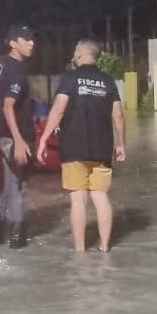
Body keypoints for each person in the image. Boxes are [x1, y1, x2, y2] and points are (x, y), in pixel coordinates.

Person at [37, 39, 127, 252]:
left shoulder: (69, 79)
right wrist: (121, 144)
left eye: (75, 51)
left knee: (78, 199)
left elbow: (58, 110)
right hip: (102, 148)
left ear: (80, 54)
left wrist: (43, 139)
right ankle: (104, 247)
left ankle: (80, 251)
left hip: (73, 148)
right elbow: (118, 115)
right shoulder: (107, 81)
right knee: (100, 196)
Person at [0, 25, 37, 249]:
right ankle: (17, 237)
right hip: (14, 136)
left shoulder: (0, 67)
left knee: (6, 184)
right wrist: (19, 140)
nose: (32, 43)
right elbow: (8, 105)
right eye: (26, 39)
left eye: (32, 39)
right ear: (13, 43)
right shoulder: (16, 70)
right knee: (17, 185)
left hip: (2, 135)